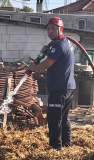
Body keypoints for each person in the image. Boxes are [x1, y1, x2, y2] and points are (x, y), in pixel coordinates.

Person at [23, 17, 76, 150]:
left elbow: (47, 64)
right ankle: (67, 145)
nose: (50, 31)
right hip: (68, 87)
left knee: (54, 119)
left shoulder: (58, 46)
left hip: (59, 88)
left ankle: (55, 148)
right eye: (48, 28)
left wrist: (33, 67)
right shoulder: (64, 42)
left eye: (53, 28)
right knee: (63, 117)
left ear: (61, 29)